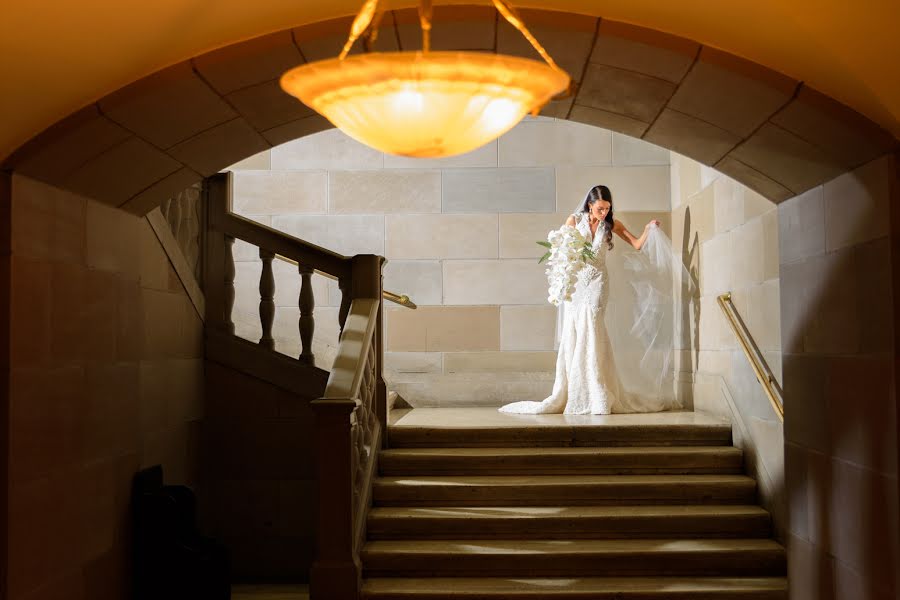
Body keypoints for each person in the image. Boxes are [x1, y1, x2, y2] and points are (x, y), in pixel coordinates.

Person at [499, 184, 682, 415]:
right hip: (577, 285)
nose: (603, 212)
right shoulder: (574, 222)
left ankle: (597, 388)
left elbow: (637, 244)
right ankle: (575, 389)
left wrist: (648, 229)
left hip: (598, 283)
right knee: (575, 329)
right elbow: (561, 253)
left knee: (593, 327)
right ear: (590, 205)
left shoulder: (611, 224)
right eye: (600, 208)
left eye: (607, 208)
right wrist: (564, 276)